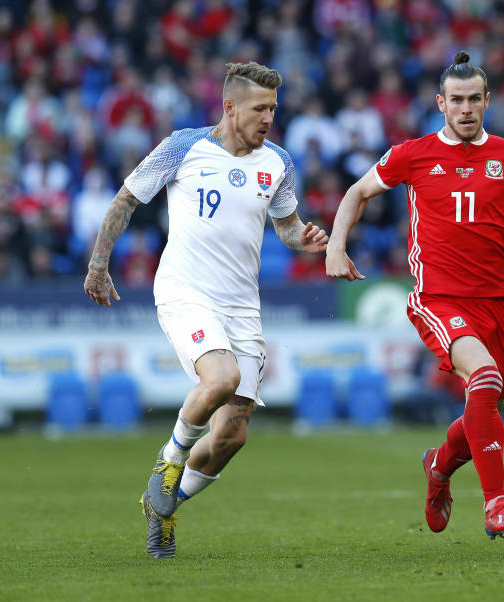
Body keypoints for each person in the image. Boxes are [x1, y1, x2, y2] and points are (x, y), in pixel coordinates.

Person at [83, 62, 328, 559]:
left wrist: (305, 240)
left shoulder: (278, 161)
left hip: (242, 305)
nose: (269, 118)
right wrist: (98, 265)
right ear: (230, 106)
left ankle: (162, 507)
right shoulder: (184, 146)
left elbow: (285, 226)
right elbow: (126, 200)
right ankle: (167, 464)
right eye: (260, 109)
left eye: (274, 109)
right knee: (218, 378)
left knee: (231, 437)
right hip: (185, 290)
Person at [326, 51, 504, 539]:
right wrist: (335, 245)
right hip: (439, 298)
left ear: (488, 101)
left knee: (486, 398)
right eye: (457, 100)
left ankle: (439, 466)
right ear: (440, 103)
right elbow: (356, 192)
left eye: (475, 99)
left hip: (498, 301)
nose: (466, 108)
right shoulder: (412, 155)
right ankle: (496, 503)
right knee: (484, 376)